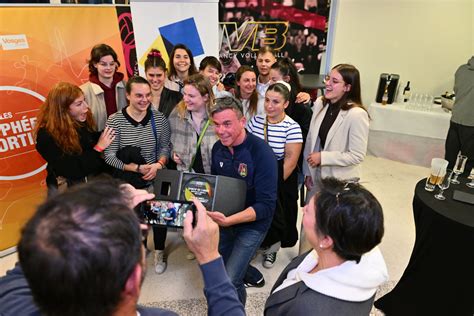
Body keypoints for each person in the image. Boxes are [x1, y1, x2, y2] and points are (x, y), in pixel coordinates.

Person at [0, 178, 245, 316]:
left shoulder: (12, 305)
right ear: (132, 279)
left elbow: (42, 246)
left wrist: (100, 209)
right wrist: (210, 257)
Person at [264, 177, 388, 315]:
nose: (303, 209)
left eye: (309, 211)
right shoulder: (348, 244)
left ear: (326, 240)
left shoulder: (307, 309)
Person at [208, 96, 278, 305]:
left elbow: (266, 206)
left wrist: (230, 221)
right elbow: (217, 188)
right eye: (217, 125)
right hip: (224, 221)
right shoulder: (217, 149)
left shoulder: (262, 153)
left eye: (227, 123)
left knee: (229, 280)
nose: (221, 131)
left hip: (253, 225)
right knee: (222, 274)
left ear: (242, 122)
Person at [302, 63, 369, 253]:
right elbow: (311, 141)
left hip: (340, 179)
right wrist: (308, 171)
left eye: (335, 81)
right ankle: (303, 261)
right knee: (310, 219)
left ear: (348, 87)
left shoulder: (357, 115)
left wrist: (323, 157)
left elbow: (356, 155)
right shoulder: (320, 104)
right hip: (317, 174)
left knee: (333, 226)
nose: (328, 84)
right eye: (328, 79)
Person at [247, 82, 303, 268]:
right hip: (255, 176)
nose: (270, 106)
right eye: (268, 101)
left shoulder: (292, 127)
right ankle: (257, 243)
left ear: (286, 104)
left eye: (276, 102)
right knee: (255, 214)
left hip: (279, 178)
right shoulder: (255, 121)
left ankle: (272, 249)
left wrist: (271, 184)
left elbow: (290, 161)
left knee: (275, 216)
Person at [35, 82, 115, 194]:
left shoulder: (78, 120)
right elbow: (73, 170)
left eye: (84, 100)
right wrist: (99, 147)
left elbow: (87, 141)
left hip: (93, 186)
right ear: (62, 109)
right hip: (71, 194)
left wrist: (108, 134)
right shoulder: (46, 136)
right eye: (79, 104)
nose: (86, 107)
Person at [104, 76, 171, 190]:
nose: (145, 100)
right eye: (139, 95)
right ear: (128, 95)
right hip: (127, 185)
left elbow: (165, 147)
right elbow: (109, 156)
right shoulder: (115, 120)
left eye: (148, 95)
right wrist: (135, 168)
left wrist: (159, 165)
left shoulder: (159, 118)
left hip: (155, 183)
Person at [169, 74, 218, 174]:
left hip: (213, 179)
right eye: (185, 94)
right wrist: (172, 154)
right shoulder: (176, 114)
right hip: (186, 179)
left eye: (191, 96)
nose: (185, 99)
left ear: (205, 97)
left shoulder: (217, 117)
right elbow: (166, 143)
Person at [80, 43, 127, 131]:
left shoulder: (127, 86)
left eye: (112, 64)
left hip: (126, 141)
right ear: (95, 64)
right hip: (97, 142)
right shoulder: (83, 92)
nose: (109, 68)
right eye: (103, 64)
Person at [445, 56, 474, 174]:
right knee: (468, 161)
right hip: (471, 123)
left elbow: (456, 91)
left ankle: (444, 181)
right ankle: (460, 188)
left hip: (456, 118)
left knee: (449, 157)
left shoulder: (461, 69)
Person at [144, 48, 183, 117]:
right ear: (145, 73)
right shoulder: (139, 99)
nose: (155, 79)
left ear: (165, 74)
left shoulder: (177, 97)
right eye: (151, 75)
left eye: (159, 75)